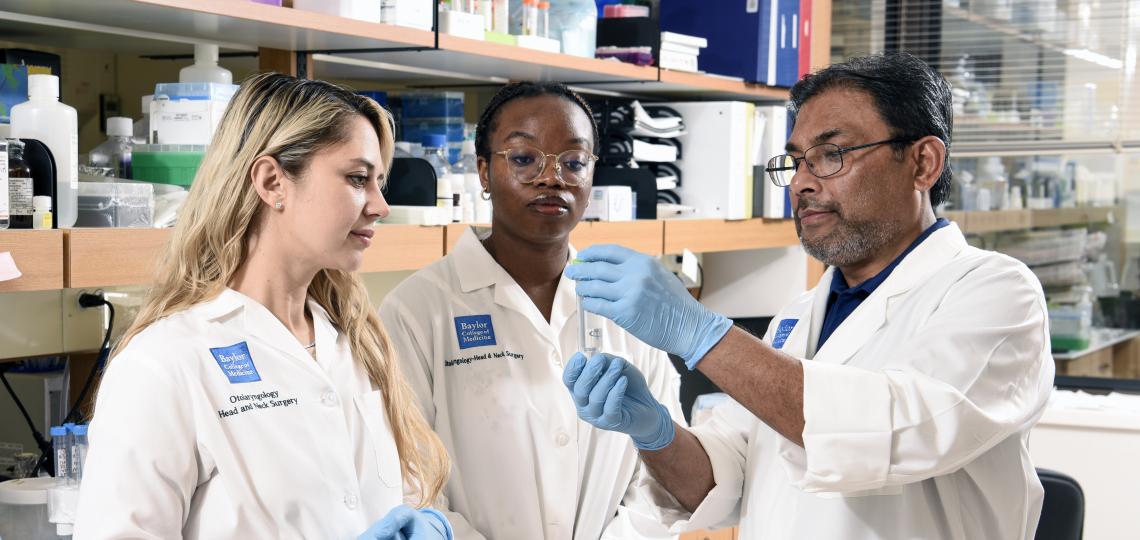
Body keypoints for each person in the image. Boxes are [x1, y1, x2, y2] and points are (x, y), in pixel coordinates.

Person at [563, 52, 1054, 539]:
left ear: (923, 163)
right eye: (795, 161)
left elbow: (901, 429)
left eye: (830, 155)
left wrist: (700, 333)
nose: (800, 183)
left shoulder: (997, 292)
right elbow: (723, 482)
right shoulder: (797, 318)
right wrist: (655, 433)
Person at [75, 73, 453, 540]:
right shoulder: (164, 362)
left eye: (379, 182)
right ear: (273, 181)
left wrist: (424, 521)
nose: (380, 205)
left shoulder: (357, 344)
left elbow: (387, 500)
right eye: (358, 179)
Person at [379, 81, 684, 539]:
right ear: (483, 172)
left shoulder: (627, 306)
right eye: (523, 159)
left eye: (574, 162)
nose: (552, 177)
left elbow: (659, 482)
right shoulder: (417, 309)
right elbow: (412, 487)